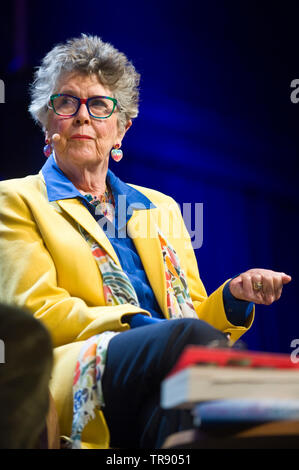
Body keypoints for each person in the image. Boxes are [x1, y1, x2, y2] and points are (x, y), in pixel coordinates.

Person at [0, 34, 292, 449]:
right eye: (66, 102)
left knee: (213, 413)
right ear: (48, 121)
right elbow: (39, 313)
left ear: (121, 129)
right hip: (83, 368)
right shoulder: (15, 199)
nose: (83, 116)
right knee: (198, 356)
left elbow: (193, 315)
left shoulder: (161, 208)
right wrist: (148, 329)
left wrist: (231, 298)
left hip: (171, 368)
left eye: (99, 105)